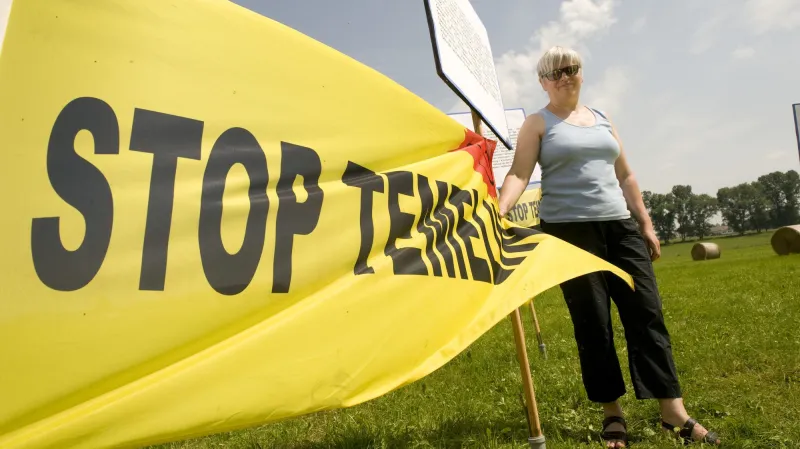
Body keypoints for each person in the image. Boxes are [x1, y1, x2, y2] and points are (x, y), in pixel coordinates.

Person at [497, 46, 721, 448]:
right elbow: (518, 172)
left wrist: (646, 223)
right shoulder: (538, 123)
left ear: (581, 73)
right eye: (554, 72)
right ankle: (611, 411)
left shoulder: (602, 119)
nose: (565, 76)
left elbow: (627, 174)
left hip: (620, 227)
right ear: (543, 82)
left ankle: (673, 410)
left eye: (571, 69)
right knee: (593, 321)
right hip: (569, 233)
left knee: (646, 312)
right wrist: (501, 208)